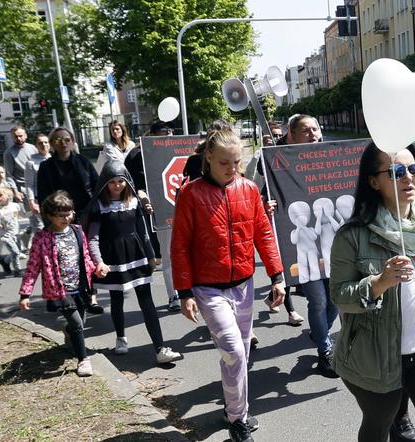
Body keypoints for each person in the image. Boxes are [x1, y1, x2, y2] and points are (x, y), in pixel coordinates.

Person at [330, 143, 415, 442]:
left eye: (413, 169)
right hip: (376, 359)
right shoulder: (352, 235)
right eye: (396, 172)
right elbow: (340, 296)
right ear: (373, 181)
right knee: (378, 429)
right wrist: (379, 282)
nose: (409, 178)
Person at [171, 128, 285, 442]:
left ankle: (232, 410)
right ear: (208, 157)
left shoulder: (248, 189)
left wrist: (277, 277)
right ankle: (238, 419)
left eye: (236, 162)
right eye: (224, 162)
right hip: (208, 289)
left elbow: (263, 234)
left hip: (244, 285)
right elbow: (179, 246)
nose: (231, 169)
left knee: (240, 353)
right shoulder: (191, 195)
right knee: (234, 350)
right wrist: (184, 292)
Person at [86, 161, 183, 365]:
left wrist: (150, 256)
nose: (117, 185)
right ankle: (121, 338)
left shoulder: (133, 202)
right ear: (104, 183)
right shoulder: (99, 206)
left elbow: (143, 232)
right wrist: (99, 261)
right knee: (117, 298)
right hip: (113, 258)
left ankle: (160, 348)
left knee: (147, 301)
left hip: (136, 255)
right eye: (112, 182)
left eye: (121, 181)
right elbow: (93, 238)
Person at [264, 114, 336, 374]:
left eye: (316, 129)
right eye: (306, 130)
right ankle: (325, 351)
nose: (313, 134)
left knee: (335, 300)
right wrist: (267, 208)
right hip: (303, 251)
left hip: (333, 247)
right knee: (317, 301)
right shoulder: (279, 166)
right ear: (291, 136)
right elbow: (264, 201)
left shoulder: (332, 161)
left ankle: (320, 332)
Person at [18, 191, 96, 376]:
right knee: (77, 324)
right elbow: (33, 267)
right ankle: (83, 360)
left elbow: (85, 256)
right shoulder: (42, 238)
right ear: (50, 216)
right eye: (61, 215)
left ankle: (69, 332)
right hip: (60, 290)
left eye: (69, 213)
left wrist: (95, 268)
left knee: (80, 323)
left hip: (80, 286)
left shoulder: (77, 231)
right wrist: (25, 294)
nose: (66, 218)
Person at [37, 127, 104, 315]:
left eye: (66, 139)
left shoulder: (82, 162)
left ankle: (91, 297)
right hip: (58, 218)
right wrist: (49, 222)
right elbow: (42, 196)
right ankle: (57, 296)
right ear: (52, 144)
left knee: (86, 256)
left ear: (72, 141)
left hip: (84, 215)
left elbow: (97, 186)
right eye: (58, 140)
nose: (63, 143)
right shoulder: (46, 167)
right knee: (58, 259)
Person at [124, 121, 180, 311]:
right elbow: (132, 184)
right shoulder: (137, 155)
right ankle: (174, 295)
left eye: (171, 131)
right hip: (160, 211)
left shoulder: (179, 149)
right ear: (153, 134)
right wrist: (142, 197)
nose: (169, 135)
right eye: (164, 132)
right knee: (168, 255)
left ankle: (193, 291)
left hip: (184, 209)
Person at [0, 186, 26, 277]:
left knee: (17, 251)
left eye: (0, 195)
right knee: (15, 252)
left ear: (9, 196)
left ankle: (5, 262)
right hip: (6, 236)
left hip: (16, 234)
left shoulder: (15, 206)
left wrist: (32, 212)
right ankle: (17, 270)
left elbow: (23, 214)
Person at [24, 133, 52, 236]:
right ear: (36, 145)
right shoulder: (31, 163)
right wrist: (31, 202)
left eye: (46, 142)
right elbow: (29, 184)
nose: (44, 145)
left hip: (54, 198)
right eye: (40, 143)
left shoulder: (54, 159)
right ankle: (40, 250)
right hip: (38, 199)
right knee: (41, 227)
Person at [3, 126, 37, 196]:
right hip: (23, 189)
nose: (18, 138)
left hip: (37, 185)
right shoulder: (9, 153)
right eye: (15, 136)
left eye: (20, 136)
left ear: (25, 136)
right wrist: (16, 192)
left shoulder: (33, 148)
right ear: (12, 137)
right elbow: (9, 175)